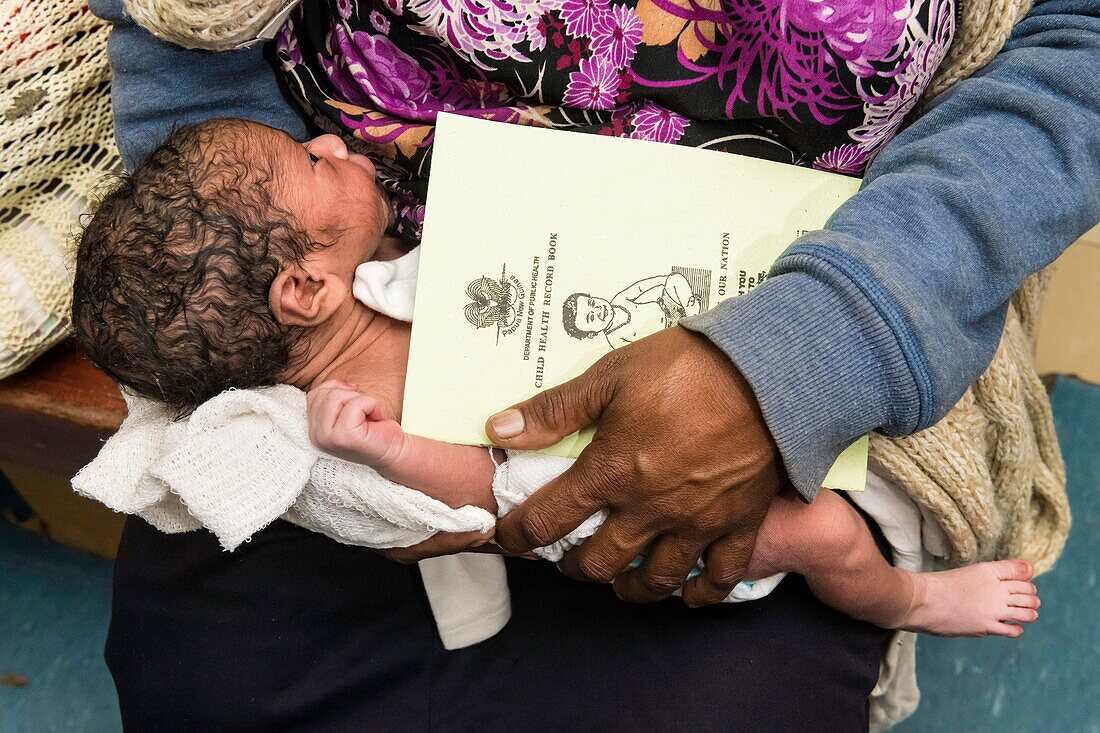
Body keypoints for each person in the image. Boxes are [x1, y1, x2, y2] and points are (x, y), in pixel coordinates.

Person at [88, 0, 1097, 728]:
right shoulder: (309, 349)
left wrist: (806, 357)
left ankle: (906, 594)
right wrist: (258, 295)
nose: (325, 148)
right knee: (202, 681)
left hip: (801, 312)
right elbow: (183, 36)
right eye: (312, 160)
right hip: (311, 342)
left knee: (765, 632)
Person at [71, 115, 1041, 640]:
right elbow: (475, 493)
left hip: (644, 375)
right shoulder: (328, 427)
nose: (330, 141)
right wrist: (384, 445)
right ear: (302, 288)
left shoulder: (380, 281)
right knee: (827, 530)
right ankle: (910, 600)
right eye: (312, 162)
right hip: (616, 509)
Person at [562, 272, 703, 348]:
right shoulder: (615, 340)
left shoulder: (618, 300)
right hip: (670, 333)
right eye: (591, 317)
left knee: (675, 279)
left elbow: (640, 287)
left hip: (668, 306)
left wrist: (666, 280)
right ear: (592, 333)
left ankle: (691, 313)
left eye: (592, 302)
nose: (598, 309)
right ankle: (692, 316)